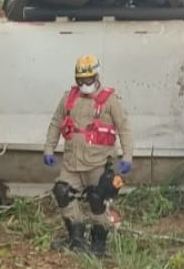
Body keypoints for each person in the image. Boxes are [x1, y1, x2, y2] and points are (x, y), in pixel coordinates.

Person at [43, 54, 133, 255]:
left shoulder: (110, 101)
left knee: (96, 198)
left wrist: (128, 156)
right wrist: (49, 148)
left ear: (97, 76)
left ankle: (99, 243)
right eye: (80, 80)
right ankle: (76, 238)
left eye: (88, 79)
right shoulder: (68, 98)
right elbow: (56, 123)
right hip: (72, 163)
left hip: (98, 163)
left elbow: (124, 128)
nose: (84, 83)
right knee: (62, 192)